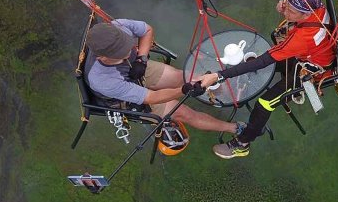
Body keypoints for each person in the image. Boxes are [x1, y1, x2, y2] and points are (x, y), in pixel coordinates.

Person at [199, 0, 335, 159]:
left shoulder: (302, 38)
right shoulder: (317, 6)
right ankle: (236, 83)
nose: (286, 12)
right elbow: (296, 14)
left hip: (308, 72)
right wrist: (286, 9)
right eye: (287, 6)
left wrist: (219, 75)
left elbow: (264, 61)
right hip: (310, 55)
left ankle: (243, 144)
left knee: (264, 103)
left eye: (292, 11)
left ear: (305, 14)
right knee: (257, 65)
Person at [85, 19, 243, 135]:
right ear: (101, 57)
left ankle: (224, 93)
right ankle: (234, 128)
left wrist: (141, 59)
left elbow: (147, 30)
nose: (127, 51)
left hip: (136, 66)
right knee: (184, 112)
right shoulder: (102, 80)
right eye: (121, 53)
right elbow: (152, 97)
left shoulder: (118, 27)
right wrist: (183, 90)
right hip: (125, 97)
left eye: (127, 45)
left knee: (184, 76)